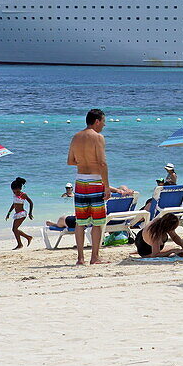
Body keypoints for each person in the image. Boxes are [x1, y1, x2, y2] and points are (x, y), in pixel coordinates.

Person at [67, 108, 110, 266]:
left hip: (80, 182)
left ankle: (80, 259)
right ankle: (95, 257)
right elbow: (102, 163)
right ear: (97, 121)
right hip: (94, 181)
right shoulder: (98, 137)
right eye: (103, 122)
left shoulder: (76, 137)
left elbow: (70, 161)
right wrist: (106, 186)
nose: (104, 125)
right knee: (98, 222)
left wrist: (83, 161)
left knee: (80, 222)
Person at [4, 177, 34, 249]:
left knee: (14, 229)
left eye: (17, 192)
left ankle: (20, 244)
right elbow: (14, 204)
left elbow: (31, 203)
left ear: (20, 189)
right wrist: (9, 213)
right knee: (15, 229)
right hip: (17, 214)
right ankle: (28, 237)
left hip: (22, 214)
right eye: (14, 192)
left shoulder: (23, 195)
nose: (15, 193)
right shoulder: (15, 195)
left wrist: (30, 213)